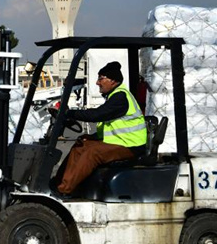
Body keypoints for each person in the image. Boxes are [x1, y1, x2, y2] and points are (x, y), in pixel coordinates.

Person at [54, 61, 147, 197]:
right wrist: (92, 137)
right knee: (80, 145)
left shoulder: (120, 97)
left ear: (113, 81)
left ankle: (64, 190)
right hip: (120, 142)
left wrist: (69, 113)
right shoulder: (113, 97)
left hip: (131, 146)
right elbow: (110, 125)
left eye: (101, 78)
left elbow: (97, 115)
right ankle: (59, 183)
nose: (97, 83)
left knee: (93, 153)